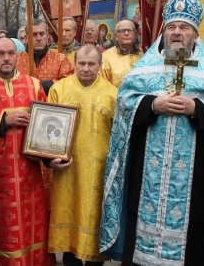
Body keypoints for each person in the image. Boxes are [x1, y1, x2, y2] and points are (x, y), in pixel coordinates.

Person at [99, 0, 204, 265]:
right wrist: (153, 104)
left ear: (195, 35)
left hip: (195, 181)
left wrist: (198, 109)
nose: (176, 33)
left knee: (193, 237)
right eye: (171, 27)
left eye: (184, 28)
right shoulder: (144, 70)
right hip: (146, 176)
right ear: (164, 32)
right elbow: (124, 103)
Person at [0, 37, 55, 265]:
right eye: (0, 54)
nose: (6, 58)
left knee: (31, 231)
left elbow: (48, 128)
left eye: (10, 53)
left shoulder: (34, 85)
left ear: (18, 56)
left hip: (29, 176)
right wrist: (4, 119)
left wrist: (52, 158)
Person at [45, 44, 117, 266]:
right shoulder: (59, 89)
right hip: (68, 171)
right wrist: (50, 159)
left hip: (99, 172)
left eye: (91, 64)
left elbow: (119, 136)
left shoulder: (113, 94)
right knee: (69, 227)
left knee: (95, 222)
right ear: (74, 64)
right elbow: (45, 130)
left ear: (100, 65)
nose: (86, 68)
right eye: (81, 63)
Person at [16, 18, 74, 206]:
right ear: (26, 38)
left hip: (52, 128)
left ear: (48, 36)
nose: (38, 38)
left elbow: (69, 85)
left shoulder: (60, 59)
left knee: (50, 179)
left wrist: (47, 85)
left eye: (42, 34)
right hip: (23, 123)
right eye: (34, 34)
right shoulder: (17, 60)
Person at [101, 20, 142, 88]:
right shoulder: (105, 57)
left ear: (135, 34)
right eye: (122, 31)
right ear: (116, 36)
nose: (126, 33)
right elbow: (103, 86)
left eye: (130, 30)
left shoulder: (143, 55)